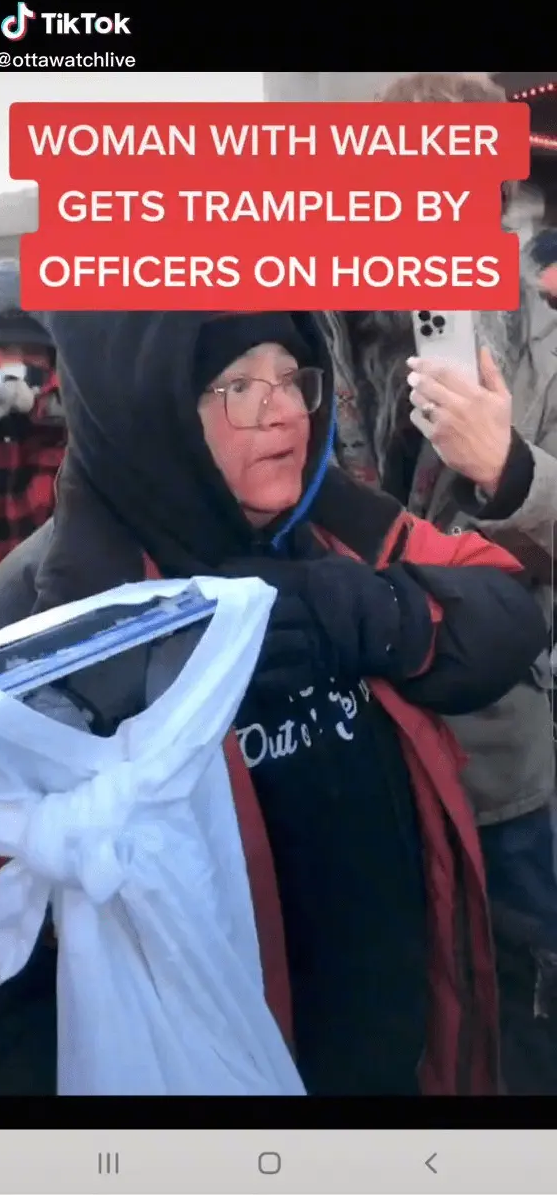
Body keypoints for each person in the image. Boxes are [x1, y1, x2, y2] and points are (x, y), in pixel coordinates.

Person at [0, 309, 546, 1097]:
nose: (283, 412)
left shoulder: (332, 525)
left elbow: (506, 609)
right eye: (239, 387)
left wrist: (373, 612)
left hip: (407, 1051)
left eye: (291, 379)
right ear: (147, 409)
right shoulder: (54, 617)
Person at [325, 69, 557, 1093]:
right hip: (353, 750)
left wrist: (506, 468)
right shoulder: (317, 327)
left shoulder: (540, 339)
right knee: (386, 1016)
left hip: (500, 755)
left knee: (520, 1013)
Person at [0, 260, 65, 584]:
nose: (15, 362)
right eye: (2, 347)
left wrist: (43, 404)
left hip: (46, 602)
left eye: (31, 349)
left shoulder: (69, 429)